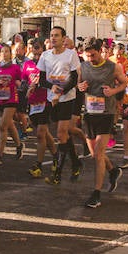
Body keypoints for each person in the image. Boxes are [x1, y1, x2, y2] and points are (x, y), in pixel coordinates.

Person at [77, 37, 127, 208]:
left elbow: (124, 83)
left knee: (98, 154)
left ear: (100, 51)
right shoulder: (82, 66)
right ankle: (113, 171)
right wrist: (80, 87)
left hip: (107, 113)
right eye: (87, 55)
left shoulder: (113, 67)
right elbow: (79, 85)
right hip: (90, 113)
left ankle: (96, 194)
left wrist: (113, 90)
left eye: (93, 55)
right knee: (94, 154)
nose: (90, 58)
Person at [38, 26, 82, 184]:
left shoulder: (71, 55)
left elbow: (73, 78)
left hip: (67, 98)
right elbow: (42, 80)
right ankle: (76, 162)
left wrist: (60, 92)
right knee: (64, 135)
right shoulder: (45, 55)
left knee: (61, 134)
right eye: (51, 35)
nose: (53, 38)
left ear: (64, 38)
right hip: (51, 99)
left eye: (57, 35)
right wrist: (52, 88)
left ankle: (58, 174)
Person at [24, 39, 57, 178]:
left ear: (42, 49)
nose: (35, 51)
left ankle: (38, 165)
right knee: (44, 133)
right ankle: (57, 156)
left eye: (37, 48)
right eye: (32, 48)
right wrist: (26, 87)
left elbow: (54, 80)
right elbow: (24, 80)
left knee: (40, 134)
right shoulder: (27, 64)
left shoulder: (49, 63)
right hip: (33, 103)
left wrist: (39, 84)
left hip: (46, 100)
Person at [0, 44, 23, 162]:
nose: (4, 54)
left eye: (7, 52)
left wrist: (22, 85)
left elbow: (20, 81)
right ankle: (19, 145)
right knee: (9, 124)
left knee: (3, 126)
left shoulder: (15, 68)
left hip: (11, 100)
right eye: (2, 52)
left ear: (11, 54)